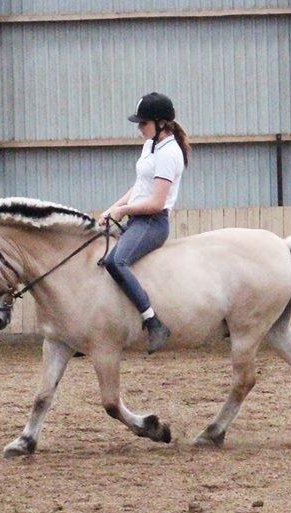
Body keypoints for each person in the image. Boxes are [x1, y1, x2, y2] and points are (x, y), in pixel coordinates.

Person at [98, 92, 191, 353]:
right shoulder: (150, 145)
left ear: (161, 123)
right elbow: (139, 187)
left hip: (152, 223)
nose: (139, 128)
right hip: (136, 218)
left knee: (115, 261)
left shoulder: (169, 153)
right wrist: (113, 209)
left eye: (143, 123)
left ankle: (153, 321)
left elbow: (156, 203)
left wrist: (123, 210)